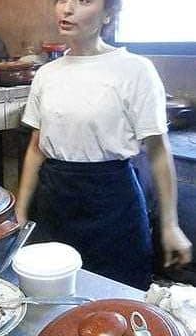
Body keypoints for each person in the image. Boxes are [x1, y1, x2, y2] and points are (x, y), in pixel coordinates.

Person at [16, 0, 192, 290]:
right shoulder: (47, 74)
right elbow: (36, 148)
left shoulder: (136, 70)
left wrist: (170, 224)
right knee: (56, 296)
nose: (67, 9)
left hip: (113, 202)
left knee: (117, 295)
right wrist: (20, 212)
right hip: (55, 202)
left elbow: (159, 152)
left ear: (109, 14)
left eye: (83, 0)